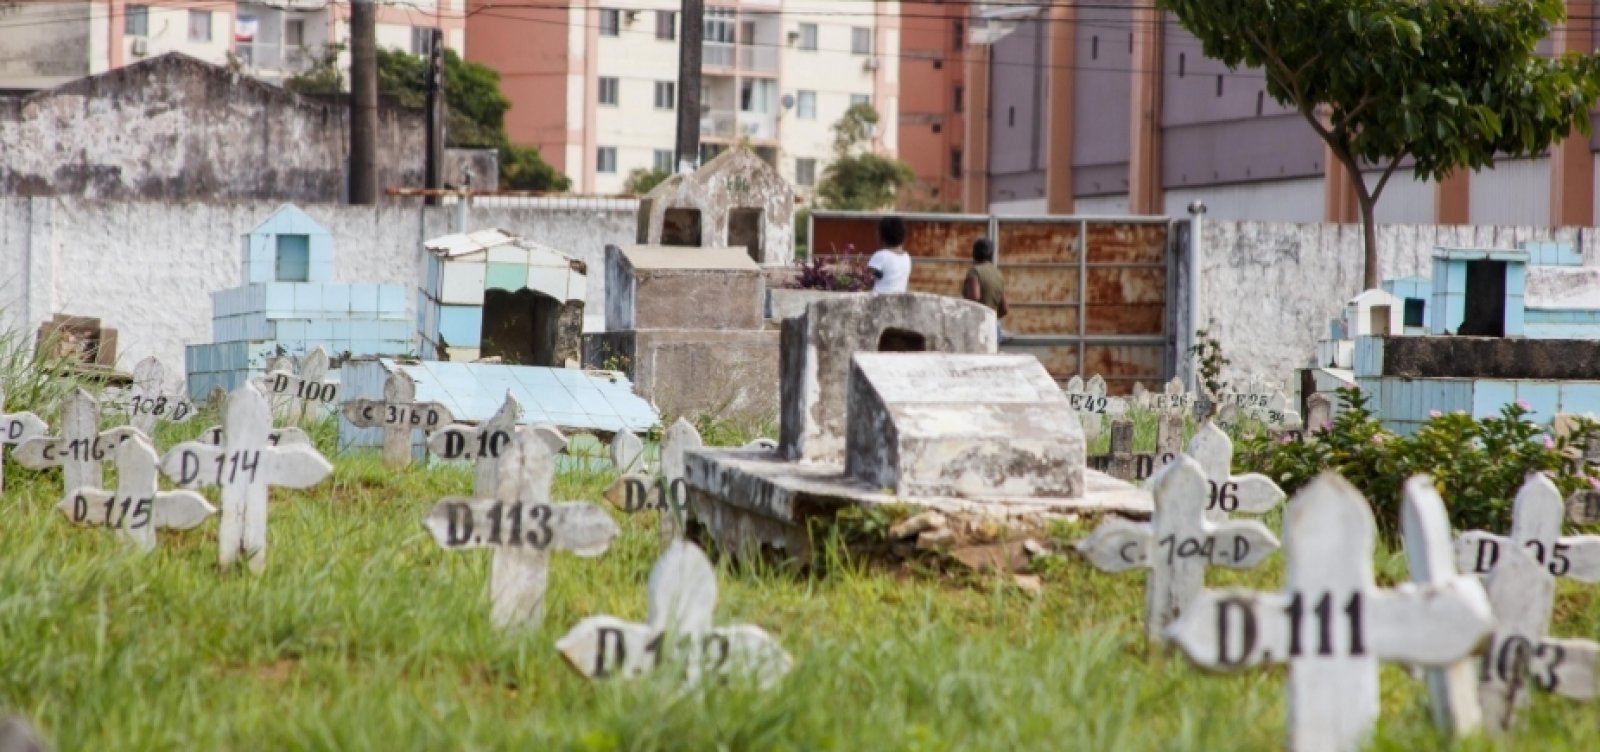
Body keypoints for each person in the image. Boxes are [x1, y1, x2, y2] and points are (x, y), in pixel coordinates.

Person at [962, 237, 1008, 339]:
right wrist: (991, 317)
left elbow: (974, 298)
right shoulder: (998, 274)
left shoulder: (974, 272)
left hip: (978, 327)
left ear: (974, 254)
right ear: (991, 255)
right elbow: (1004, 308)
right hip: (994, 326)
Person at [867, 216, 911, 293]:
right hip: (899, 301)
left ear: (882, 236)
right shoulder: (907, 257)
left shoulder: (881, 256)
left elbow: (866, 279)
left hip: (878, 301)